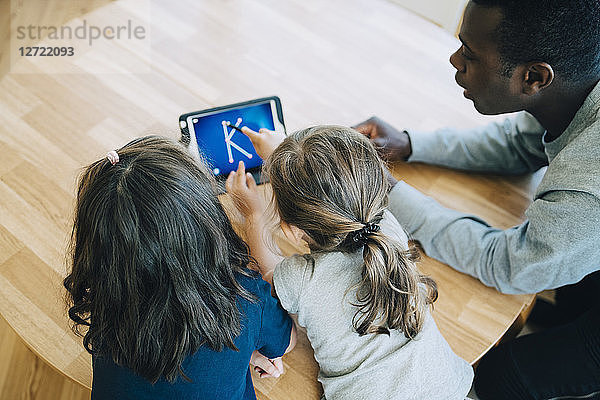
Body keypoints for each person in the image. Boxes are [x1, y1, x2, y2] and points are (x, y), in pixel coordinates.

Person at [353, 1, 600, 399]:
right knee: (568, 297)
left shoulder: (590, 181)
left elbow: (508, 264)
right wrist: (411, 144)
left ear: (535, 77)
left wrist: (388, 192)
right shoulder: (573, 84)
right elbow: (521, 145)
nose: (454, 60)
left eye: (469, 54)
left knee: (505, 373)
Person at [226, 126, 474, 399]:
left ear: (293, 232)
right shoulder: (388, 228)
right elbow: (337, 190)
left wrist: (253, 216)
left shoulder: (302, 279)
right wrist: (285, 155)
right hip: (448, 387)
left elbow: (268, 270)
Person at [63, 136, 296, 400]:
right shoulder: (245, 296)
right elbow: (287, 341)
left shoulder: (108, 300)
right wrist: (254, 217)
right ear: (207, 224)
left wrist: (242, 351)